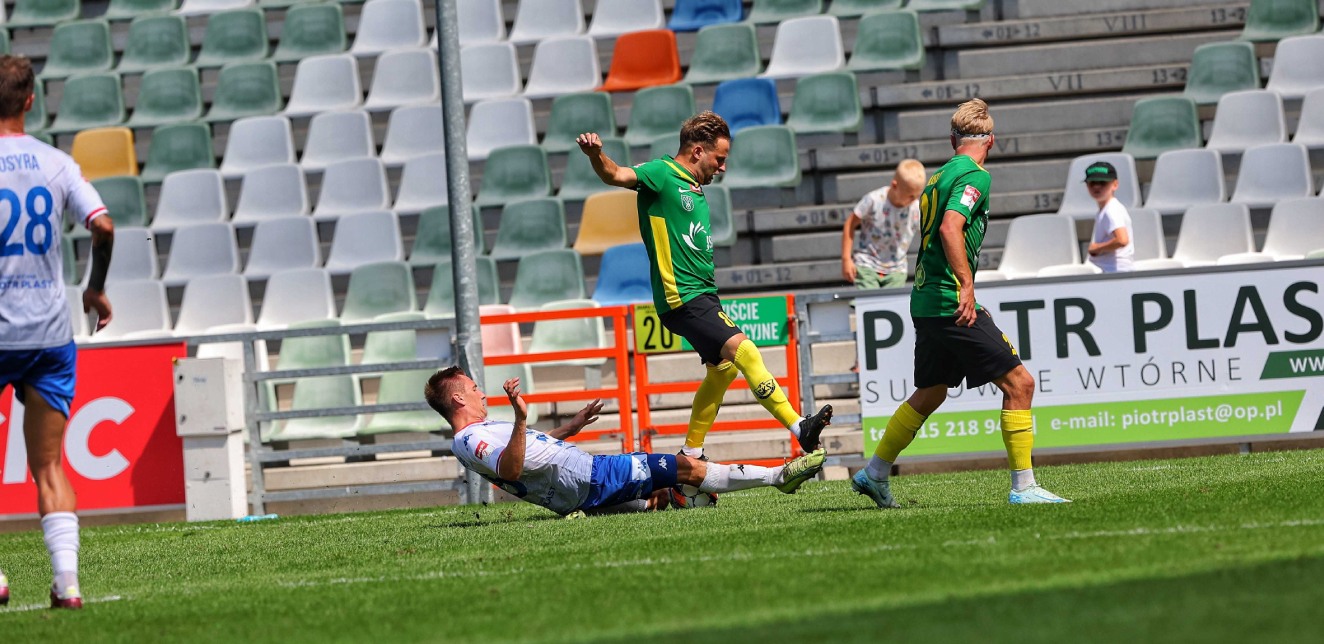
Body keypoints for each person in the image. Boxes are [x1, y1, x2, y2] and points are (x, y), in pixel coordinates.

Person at [576, 112, 833, 469]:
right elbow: (616, 174)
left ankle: (691, 454)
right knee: (746, 352)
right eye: (719, 158)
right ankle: (798, 426)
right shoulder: (661, 173)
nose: (722, 167)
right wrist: (595, 155)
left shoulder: (692, 185)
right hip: (682, 297)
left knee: (722, 370)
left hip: (702, 294)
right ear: (698, 151)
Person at [850, 99, 1070, 508]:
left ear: (953, 140)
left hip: (925, 299)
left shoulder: (937, 177)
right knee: (1020, 384)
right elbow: (951, 227)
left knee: (930, 392)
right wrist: (966, 285)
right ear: (992, 140)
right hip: (950, 301)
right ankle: (1024, 487)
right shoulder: (975, 176)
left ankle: (874, 473)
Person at [0, 55, 115, 609]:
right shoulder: (57, 163)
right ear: (30, 100)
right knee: (49, 464)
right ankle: (67, 582)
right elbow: (104, 226)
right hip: (48, 333)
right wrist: (95, 288)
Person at [425, 367, 826, 517]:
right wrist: (520, 416)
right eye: (473, 389)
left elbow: (526, 452)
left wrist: (570, 428)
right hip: (586, 476)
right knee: (684, 467)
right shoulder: (471, 438)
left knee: (660, 499)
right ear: (458, 399)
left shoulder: (474, 435)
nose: (481, 393)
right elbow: (511, 468)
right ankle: (778, 477)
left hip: (572, 492)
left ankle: (684, 498)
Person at [841, 159, 927, 289]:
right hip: (867, 264)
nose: (914, 199)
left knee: (892, 301)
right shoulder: (874, 200)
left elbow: (927, 236)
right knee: (869, 301)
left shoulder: (916, 209)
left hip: (896, 269)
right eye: (910, 196)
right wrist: (846, 259)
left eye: (917, 195)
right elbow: (850, 224)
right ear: (894, 186)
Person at [1082, 161, 1134, 273]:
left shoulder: (1111, 210)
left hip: (1113, 271)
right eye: (1092, 183)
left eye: (1102, 183)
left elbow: (1122, 240)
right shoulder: (1108, 209)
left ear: (1115, 184)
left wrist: (1097, 248)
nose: (1097, 187)